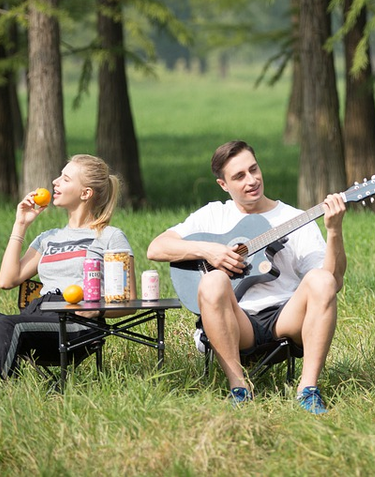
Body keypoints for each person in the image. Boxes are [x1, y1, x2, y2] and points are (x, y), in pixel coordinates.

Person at [146, 140, 346, 414]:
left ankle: (308, 390)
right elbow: (156, 248)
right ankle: (240, 389)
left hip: (285, 317)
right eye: (239, 176)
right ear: (223, 185)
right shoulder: (213, 215)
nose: (251, 180)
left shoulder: (294, 217)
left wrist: (334, 231)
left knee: (321, 281)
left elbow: (333, 281)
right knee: (214, 280)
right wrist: (210, 251)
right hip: (236, 321)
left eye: (254, 169)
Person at [0, 154, 133, 392]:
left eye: (65, 179)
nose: (55, 182)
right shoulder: (48, 238)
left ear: (85, 193)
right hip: (36, 315)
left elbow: (127, 302)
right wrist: (21, 224)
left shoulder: (109, 236)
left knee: (9, 324)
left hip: (76, 325)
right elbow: (7, 280)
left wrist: (98, 308)